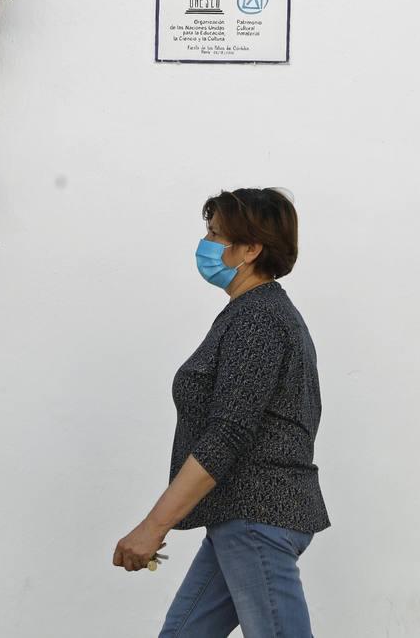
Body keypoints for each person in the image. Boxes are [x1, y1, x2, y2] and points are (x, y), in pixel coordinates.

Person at [112, 187, 330, 637]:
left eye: (215, 234)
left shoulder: (258, 319)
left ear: (251, 249)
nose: (205, 243)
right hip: (241, 517)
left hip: (256, 518)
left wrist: (153, 527)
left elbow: (227, 435)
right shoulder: (255, 313)